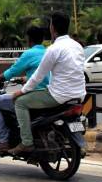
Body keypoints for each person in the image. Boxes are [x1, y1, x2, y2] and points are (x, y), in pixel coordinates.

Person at [8, 12, 86, 156]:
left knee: (20, 102)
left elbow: (38, 76)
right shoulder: (77, 46)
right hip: (79, 95)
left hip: (58, 96)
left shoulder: (54, 49)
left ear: (52, 28)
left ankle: (26, 143)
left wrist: (22, 91)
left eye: (50, 24)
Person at [0, 26, 50, 153]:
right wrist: (25, 78)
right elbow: (42, 74)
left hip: (35, 95)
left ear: (29, 39)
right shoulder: (47, 52)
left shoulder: (29, 54)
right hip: (47, 93)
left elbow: (10, 73)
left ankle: (4, 142)